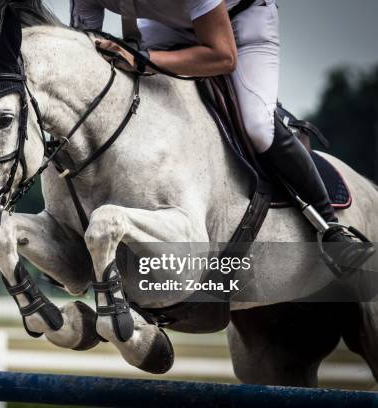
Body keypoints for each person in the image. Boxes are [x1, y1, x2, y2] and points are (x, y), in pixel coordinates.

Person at [70, 0, 374, 271]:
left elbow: (223, 56)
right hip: (167, 27)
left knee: (257, 127)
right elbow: (83, 52)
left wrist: (143, 59)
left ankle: (331, 228)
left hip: (240, 25)